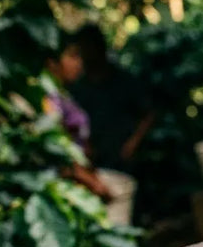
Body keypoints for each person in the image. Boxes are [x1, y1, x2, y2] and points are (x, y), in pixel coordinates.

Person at [71, 24, 155, 171]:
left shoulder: (125, 81)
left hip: (125, 161)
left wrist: (133, 143)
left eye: (90, 47)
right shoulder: (78, 87)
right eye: (83, 49)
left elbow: (149, 113)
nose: (87, 53)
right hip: (95, 163)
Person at [41, 36, 111, 200]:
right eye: (72, 56)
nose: (79, 63)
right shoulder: (49, 100)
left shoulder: (63, 95)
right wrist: (92, 183)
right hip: (63, 188)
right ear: (52, 62)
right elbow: (58, 151)